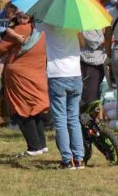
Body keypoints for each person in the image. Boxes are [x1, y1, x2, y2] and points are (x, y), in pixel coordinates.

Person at [0, 11, 49, 157]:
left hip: (20, 77)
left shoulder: (19, 29)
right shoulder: (42, 30)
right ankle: (41, 145)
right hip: (38, 74)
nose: (21, 18)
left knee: (22, 110)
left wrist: (9, 31)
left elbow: (0, 48)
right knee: (35, 109)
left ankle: (33, 147)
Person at [41, 20, 85, 169]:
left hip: (57, 75)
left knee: (60, 120)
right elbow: (83, 43)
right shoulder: (75, 22)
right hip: (75, 74)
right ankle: (79, 158)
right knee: (73, 118)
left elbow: (35, 30)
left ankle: (67, 160)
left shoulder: (48, 22)